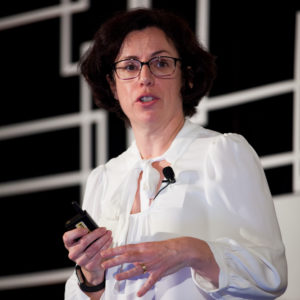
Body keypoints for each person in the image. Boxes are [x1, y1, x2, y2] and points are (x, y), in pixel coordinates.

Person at [63, 8, 287, 299]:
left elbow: (270, 273)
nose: (145, 77)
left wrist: (192, 251)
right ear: (112, 85)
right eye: (130, 66)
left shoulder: (221, 153)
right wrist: (92, 277)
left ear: (187, 77)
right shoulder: (103, 179)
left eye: (161, 63)